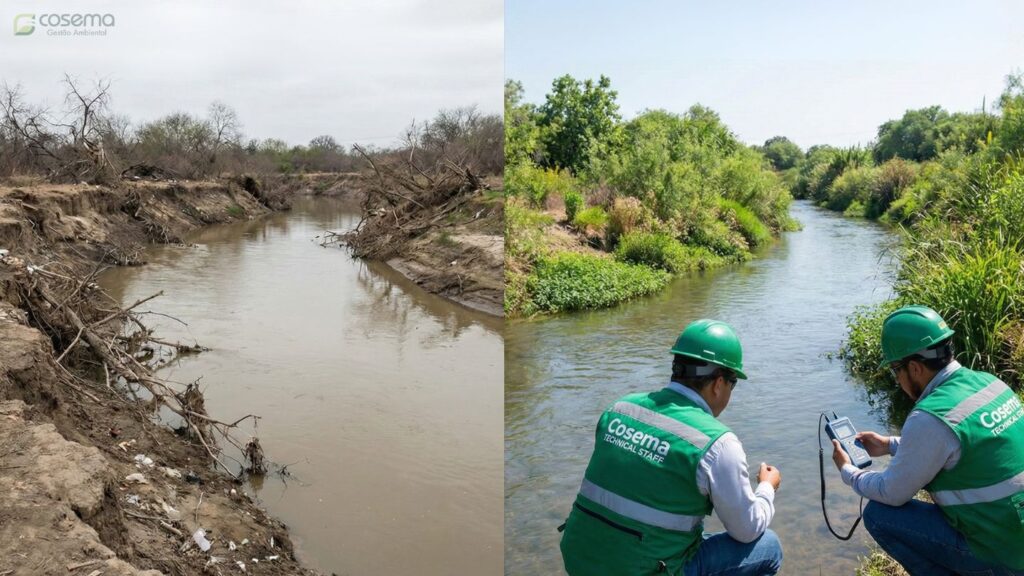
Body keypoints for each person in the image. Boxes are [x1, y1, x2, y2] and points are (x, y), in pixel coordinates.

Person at [559, 319, 783, 576]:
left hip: (580, 559)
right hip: (644, 571)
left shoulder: (619, 409)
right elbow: (746, 529)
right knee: (769, 547)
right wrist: (767, 487)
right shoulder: (718, 443)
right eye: (733, 383)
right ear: (718, 383)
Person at [831, 305, 1024, 576]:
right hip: (1015, 534)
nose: (898, 380)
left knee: (879, 515)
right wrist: (888, 445)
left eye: (896, 371)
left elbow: (892, 492)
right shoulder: (988, 383)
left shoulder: (929, 416)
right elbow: (961, 442)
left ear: (914, 368)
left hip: (1002, 556)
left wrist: (848, 472)